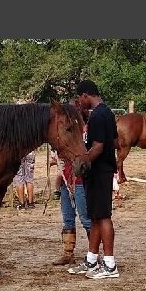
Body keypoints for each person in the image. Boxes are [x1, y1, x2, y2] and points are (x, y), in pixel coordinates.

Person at [68, 80, 119, 279]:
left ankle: (110, 264)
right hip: (102, 170)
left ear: (85, 95)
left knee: (104, 216)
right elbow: (115, 142)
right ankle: (91, 260)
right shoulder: (106, 113)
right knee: (96, 216)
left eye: (80, 98)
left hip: (99, 172)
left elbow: (98, 146)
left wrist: (82, 161)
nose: (80, 102)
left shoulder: (98, 115)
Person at [51, 107, 91, 265]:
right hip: (65, 179)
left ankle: (93, 253)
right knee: (67, 218)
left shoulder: (82, 135)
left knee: (85, 218)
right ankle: (68, 253)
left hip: (79, 181)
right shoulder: (66, 134)